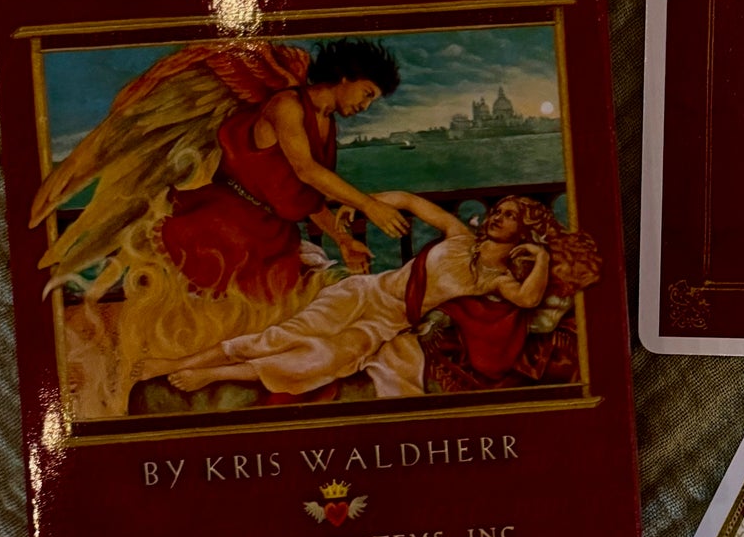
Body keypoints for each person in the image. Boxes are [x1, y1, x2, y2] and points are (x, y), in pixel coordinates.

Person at [165, 194, 588, 400]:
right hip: (363, 292)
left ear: (523, 231)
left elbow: (528, 300)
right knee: (282, 335)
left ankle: (213, 374)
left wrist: (542, 258)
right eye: (499, 210)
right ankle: (180, 363)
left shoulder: (495, 280)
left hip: (386, 324)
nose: (497, 215)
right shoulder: (459, 235)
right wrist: (367, 206)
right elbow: (409, 202)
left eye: (510, 216)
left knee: (321, 359)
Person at [156, 37, 410, 302]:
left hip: (272, 235)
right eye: (367, 93)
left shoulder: (326, 122)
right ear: (346, 77)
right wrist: (369, 205)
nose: (365, 106)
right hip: (230, 227)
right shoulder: (287, 105)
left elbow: (306, 197)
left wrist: (343, 240)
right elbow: (306, 170)